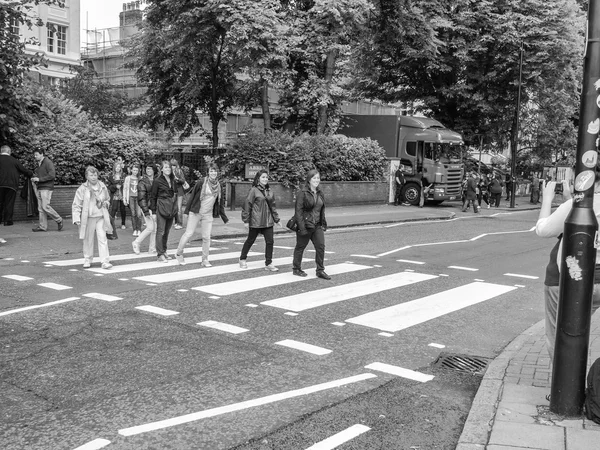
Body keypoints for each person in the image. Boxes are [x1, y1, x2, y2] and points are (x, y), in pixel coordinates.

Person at [536, 174, 600, 359]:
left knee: (560, 338)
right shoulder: (576, 205)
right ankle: (576, 382)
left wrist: (547, 199)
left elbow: (544, 229)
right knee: (578, 333)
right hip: (597, 282)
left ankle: (564, 387)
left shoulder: (577, 205)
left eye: (575, 180)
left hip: (569, 280)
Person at [175, 163, 228, 266]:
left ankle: (205, 259)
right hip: (196, 211)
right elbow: (192, 196)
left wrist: (224, 217)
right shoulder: (201, 182)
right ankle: (179, 253)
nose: (213, 173)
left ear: (217, 173)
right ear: (208, 172)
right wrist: (186, 211)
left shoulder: (218, 185)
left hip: (208, 214)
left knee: (206, 237)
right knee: (189, 233)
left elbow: (220, 202)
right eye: (211, 171)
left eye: (215, 171)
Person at [239, 169, 282, 271]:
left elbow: (273, 207)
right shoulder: (253, 190)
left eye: (266, 177)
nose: (265, 179)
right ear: (258, 179)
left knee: (270, 242)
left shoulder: (270, 191)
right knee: (250, 240)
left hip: (268, 221)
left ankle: (269, 263)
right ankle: (242, 259)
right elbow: (247, 205)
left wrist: (277, 219)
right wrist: (246, 220)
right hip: (256, 221)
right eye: (263, 177)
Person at [72, 166, 113, 269]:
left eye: (95, 175)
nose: (94, 177)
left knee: (102, 238)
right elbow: (76, 204)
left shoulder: (102, 186)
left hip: (101, 216)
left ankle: (105, 261)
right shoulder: (82, 188)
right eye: (91, 175)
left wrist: (106, 203)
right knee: (88, 239)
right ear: (87, 176)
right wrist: (76, 218)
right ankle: (87, 259)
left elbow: (108, 198)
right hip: (88, 217)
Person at [292, 169, 330, 279]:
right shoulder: (302, 193)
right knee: (300, 247)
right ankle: (296, 269)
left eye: (318, 178)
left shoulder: (320, 193)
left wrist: (323, 222)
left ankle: (320, 270)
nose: (316, 180)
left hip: (317, 225)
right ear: (309, 180)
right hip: (306, 225)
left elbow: (321, 209)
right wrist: (302, 228)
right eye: (314, 178)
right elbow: (298, 212)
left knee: (320, 247)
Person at [150, 160, 178, 262]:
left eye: (169, 167)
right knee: (160, 231)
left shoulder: (173, 180)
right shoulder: (157, 181)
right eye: (166, 167)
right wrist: (153, 212)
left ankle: (164, 250)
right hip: (161, 207)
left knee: (166, 231)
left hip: (170, 208)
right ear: (161, 169)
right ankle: (160, 254)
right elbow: (153, 197)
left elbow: (175, 194)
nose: (168, 169)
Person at [31, 148, 63, 232]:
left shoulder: (48, 162)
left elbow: (52, 175)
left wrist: (39, 179)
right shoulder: (39, 164)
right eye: (34, 155)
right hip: (40, 187)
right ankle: (42, 226)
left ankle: (59, 219)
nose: (35, 156)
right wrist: (35, 179)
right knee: (41, 208)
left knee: (45, 207)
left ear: (42, 154)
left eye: (36, 155)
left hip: (46, 187)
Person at [0, 145, 33, 226]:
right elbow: (24, 170)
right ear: (9, 152)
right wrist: (31, 174)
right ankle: (8, 221)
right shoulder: (14, 160)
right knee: (9, 203)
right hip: (11, 185)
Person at [132, 165, 157, 255]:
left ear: (154, 170)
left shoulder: (156, 180)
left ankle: (152, 249)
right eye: (147, 169)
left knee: (155, 229)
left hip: (154, 207)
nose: (148, 170)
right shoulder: (142, 182)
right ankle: (136, 242)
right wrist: (145, 211)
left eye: (150, 168)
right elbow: (141, 197)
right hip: (146, 207)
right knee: (151, 228)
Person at [107, 161, 127, 232]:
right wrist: (115, 186)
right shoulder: (111, 176)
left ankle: (123, 224)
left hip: (122, 194)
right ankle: (111, 224)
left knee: (122, 209)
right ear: (114, 168)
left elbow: (126, 184)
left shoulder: (124, 175)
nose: (117, 168)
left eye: (119, 167)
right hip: (115, 194)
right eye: (116, 167)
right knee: (114, 209)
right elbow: (109, 186)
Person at [124, 164, 143, 236]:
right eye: (134, 170)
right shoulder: (128, 178)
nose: (135, 172)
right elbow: (125, 189)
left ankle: (139, 229)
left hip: (138, 197)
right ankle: (135, 229)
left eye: (137, 170)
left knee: (139, 214)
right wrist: (125, 199)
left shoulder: (140, 178)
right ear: (131, 170)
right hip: (131, 197)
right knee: (133, 213)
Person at [170, 159, 188, 230]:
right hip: (172, 191)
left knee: (179, 208)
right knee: (174, 208)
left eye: (174, 165)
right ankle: (176, 222)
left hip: (179, 191)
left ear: (176, 165)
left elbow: (183, 180)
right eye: (171, 165)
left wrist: (177, 179)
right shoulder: (169, 172)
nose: (172, 167)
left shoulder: (179, 171)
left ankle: (180, 223)